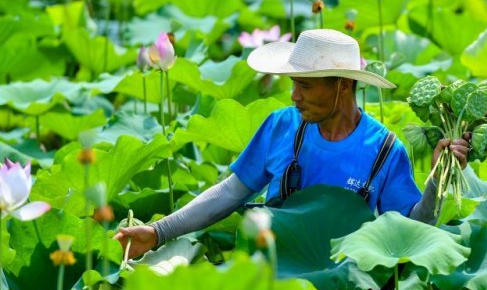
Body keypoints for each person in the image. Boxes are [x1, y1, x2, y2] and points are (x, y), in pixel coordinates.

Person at [116, 29, 469, 258]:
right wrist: (158, 232)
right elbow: (229, 194)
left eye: (306, 85)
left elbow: (414, 231)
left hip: (347, 286)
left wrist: (439, 180)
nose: (294, 95)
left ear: (344, 85)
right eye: (294, 83)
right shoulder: (281, 125)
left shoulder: (384, 149)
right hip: (270, 269)